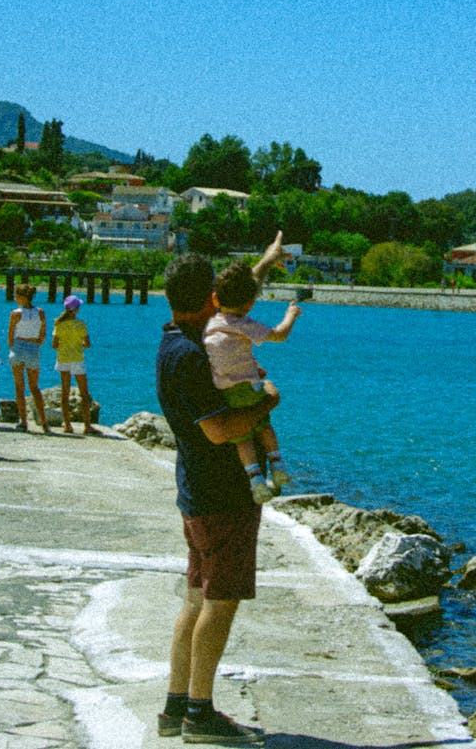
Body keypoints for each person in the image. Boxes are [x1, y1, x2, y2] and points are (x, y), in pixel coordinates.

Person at [155, 232, 285, 743]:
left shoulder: (174, 341)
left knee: (194, 600)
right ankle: (200, 714)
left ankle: (174, 706)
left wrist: (264, 264)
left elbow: (232, 301)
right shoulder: (192, 358)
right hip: (221, 495)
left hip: (195, 492)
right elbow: (219, 429)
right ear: (207, 297)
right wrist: (267, 401)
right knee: (219, 603)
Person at [204, 261, 300, 503]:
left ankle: (255, 480)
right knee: (263, 424)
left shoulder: (211, 324)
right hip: (249, 387)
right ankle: (277, 466)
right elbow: (279, 335)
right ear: (249, 304)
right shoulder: (243, 323)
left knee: (242, 437)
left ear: (215, 299)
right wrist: (291, 315)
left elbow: (226, 353)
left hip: (225, 392)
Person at [52, 295, 96, 434]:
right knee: (84, 393)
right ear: (76, 309)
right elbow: (87, 344)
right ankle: (87, 426)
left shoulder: (59, 324)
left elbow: (54, 344)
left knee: (65, 393)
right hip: (77, 359)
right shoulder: (81, 324)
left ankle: (67, 425)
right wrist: (79, 343)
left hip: (63, 359)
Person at [8, 283, 49, 433]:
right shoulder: (40, 312)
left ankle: (23, 422)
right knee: (34, 387)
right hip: (33, 347)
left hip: (19, 346)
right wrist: (36, 344)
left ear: (21, 297)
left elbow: (10, 335)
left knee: (19, 387)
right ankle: (44, 422)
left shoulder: (15, 313)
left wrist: (13, 348)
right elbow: (43, 334)